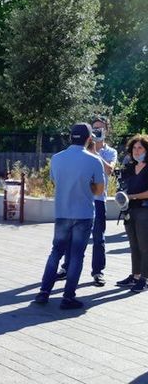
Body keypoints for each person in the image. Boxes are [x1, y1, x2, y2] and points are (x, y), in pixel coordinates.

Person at [34, 123, 105, 309]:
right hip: (83, 214)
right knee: (76, 256)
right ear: (89, 138)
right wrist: (85, 186)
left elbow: (55, 181)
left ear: (70, 137)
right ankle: (68, 297)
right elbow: (99, 190)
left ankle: (43, 292)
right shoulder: (94, 160)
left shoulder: (56, 158)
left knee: (56, 252)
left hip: (62, 213)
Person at [56, 117, 117, 286]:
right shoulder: (80, 149)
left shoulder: (110, 151)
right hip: (80, 199)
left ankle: (98, 271)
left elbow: (110, 170)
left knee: (98, 237)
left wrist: (96, 154)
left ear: (106, 131)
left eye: (100, 129)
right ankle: (66, 268)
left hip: (98, 199)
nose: (97, 132)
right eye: (94, 129)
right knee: (70, 236)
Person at [115, 134, 148, 293]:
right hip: (129, 210)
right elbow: (122, 187)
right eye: (134, 147)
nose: (136, 150)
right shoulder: (129, 167)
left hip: (144, 210)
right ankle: (135, 276)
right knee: (134, 246)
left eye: (140, 147)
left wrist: (132, 196)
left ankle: (145, 279)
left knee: (145, 246)